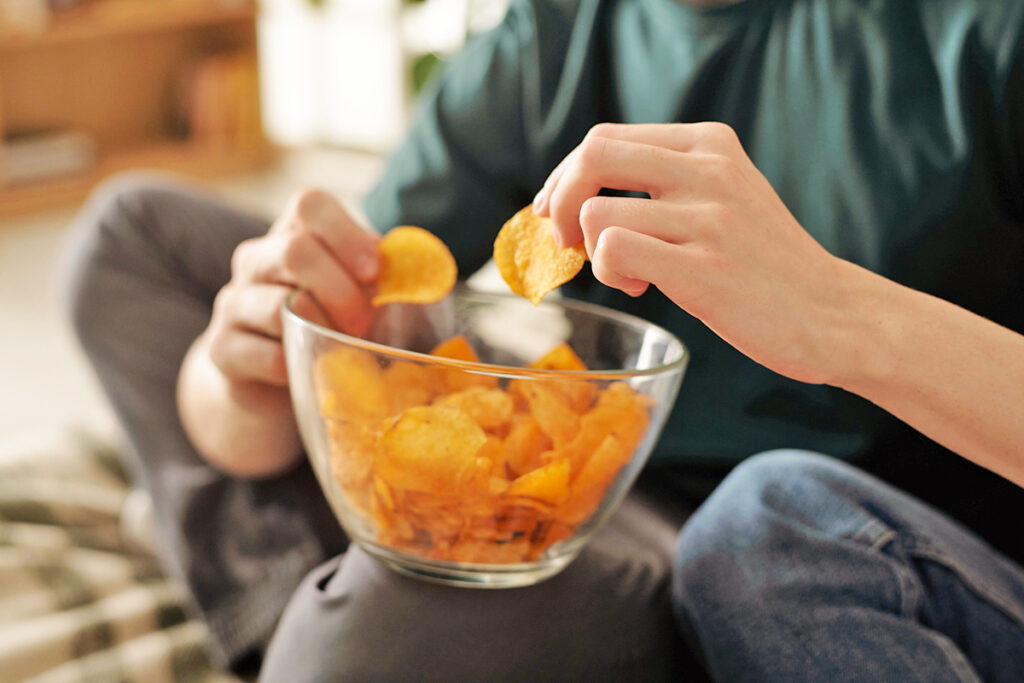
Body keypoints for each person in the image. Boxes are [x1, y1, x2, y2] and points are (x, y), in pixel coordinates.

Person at [62, 0, 1024, 679]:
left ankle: (369, 618)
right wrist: (248, 373)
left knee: (764, 521)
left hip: (841, 540)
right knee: (131, 235)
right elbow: (321, 366)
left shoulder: (982, 32)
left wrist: (839, 315)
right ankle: (296, 607)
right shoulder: (553, 30)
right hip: (588, 491)